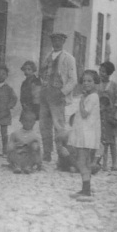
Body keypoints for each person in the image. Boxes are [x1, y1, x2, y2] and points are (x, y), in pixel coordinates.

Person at [39, 32, 77, 163]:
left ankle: (61, 154)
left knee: (59, 125)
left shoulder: (69, 58)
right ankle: (47, 152)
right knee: (44, 125)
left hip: (58, 95)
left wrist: (62, 92)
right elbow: (42, 73)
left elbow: (73, 80)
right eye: (54, 40)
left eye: (59, 40)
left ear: (63, 42)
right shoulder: (47, 56)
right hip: (45, 94)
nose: (56, 43)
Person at [68, 70, 101, 201]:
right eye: (84, 81)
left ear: (95, 82)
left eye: (90, 81)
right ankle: (85, 188)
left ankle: (86, 190)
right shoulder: (90, 96)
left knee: (81, 162)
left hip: (86, 135)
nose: (86, 83)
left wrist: (81, 100)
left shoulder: (92, 97)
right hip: (83, 132)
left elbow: (84, 113)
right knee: (84, 162)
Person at [98, 60, 117, 171]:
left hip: (110, 116)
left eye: (103, 71)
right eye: (100, 71)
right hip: (100, 115)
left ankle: (115, 163)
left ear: (108, 73)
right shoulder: (98, 85)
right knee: (103, 141)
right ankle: (104, 163)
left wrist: (114, 111)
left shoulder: (114, 85)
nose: (100, 73)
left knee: (112, 141)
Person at [7, 109, 42, 174]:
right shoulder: (15, 133)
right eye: (25, 121)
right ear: (21, 121)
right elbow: (11, 144)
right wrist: (11, 146)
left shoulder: (35, 136)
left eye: (30, 122)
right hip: (17, 155)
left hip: (28, 156)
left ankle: (29, 167)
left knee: (35, 146)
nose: (28, 123)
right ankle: (16, 166)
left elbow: (38, 151)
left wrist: (39, 162)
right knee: (11, 147)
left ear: (34, 122)